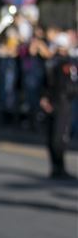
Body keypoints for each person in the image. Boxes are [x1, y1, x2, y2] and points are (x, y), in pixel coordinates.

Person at [41, 32, 78, 179]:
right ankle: (57, 167)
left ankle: (57, 167)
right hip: (59, 103)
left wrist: (45, 98)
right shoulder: (59, 63)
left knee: (56, 136)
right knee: (56, 136)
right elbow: (48, 83)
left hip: (58, 102)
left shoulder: (57, 62)